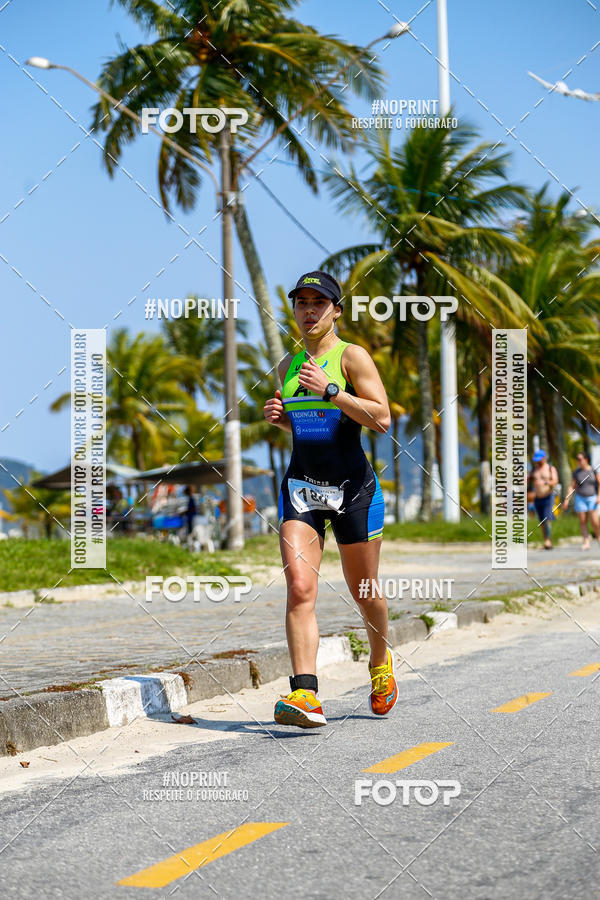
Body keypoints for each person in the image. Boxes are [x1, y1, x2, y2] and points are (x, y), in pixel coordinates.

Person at [263, 270, 397, 728]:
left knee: (365, 591)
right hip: (302, 488)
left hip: (353, 490)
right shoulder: (288, 365)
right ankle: (305, 694)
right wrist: (282, 419)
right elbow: (310, 427)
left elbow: (382, 419)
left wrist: (332, 389)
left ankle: (379, 661)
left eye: (318, 303)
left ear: (336, 310)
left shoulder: (351, 357)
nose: (309, 311)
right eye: (301, 302)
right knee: (300, 588)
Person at [562, 451, 600, 550]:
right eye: (577, 459)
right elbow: (571, 486)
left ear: (586, 459)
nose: (578, 461)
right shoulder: (576, 472)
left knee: (594, 521)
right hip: (580, 498)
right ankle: (586, 543)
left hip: (592, 497)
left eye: (580, 459)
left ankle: (598, 537)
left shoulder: (593, 471)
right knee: (583, 521)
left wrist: (599, 496)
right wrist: (567, 500)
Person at [527, 449, 558, 550]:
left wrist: (545, 483)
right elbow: (529, 481)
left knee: (546, 518)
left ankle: (548, 541)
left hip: (548, 496)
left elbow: (555, 481)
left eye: (539, 459)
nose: (538, 462)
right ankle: (546, 540)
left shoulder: (550, 468)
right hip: (537, 498)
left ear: (544, 458)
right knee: (542, 521)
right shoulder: (534, 470)